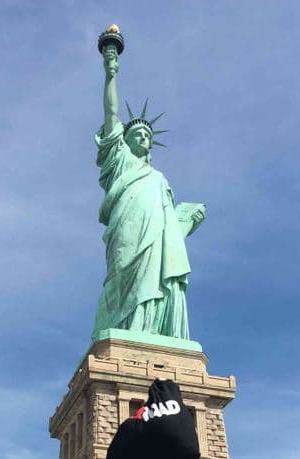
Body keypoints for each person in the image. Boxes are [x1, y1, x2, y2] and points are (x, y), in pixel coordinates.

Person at [92, 42, 206, 343]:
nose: (143, 136)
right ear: (124, 139)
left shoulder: (159, 178)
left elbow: (172, 228)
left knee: (155, 273)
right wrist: (110, 74)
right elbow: (110, 112)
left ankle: (151, 329)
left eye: (147, 134)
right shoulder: (119, 160)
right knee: (124, 275)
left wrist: (187, 218)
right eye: (136, 133)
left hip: (156, 234)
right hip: (126, 227)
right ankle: (128, 329)